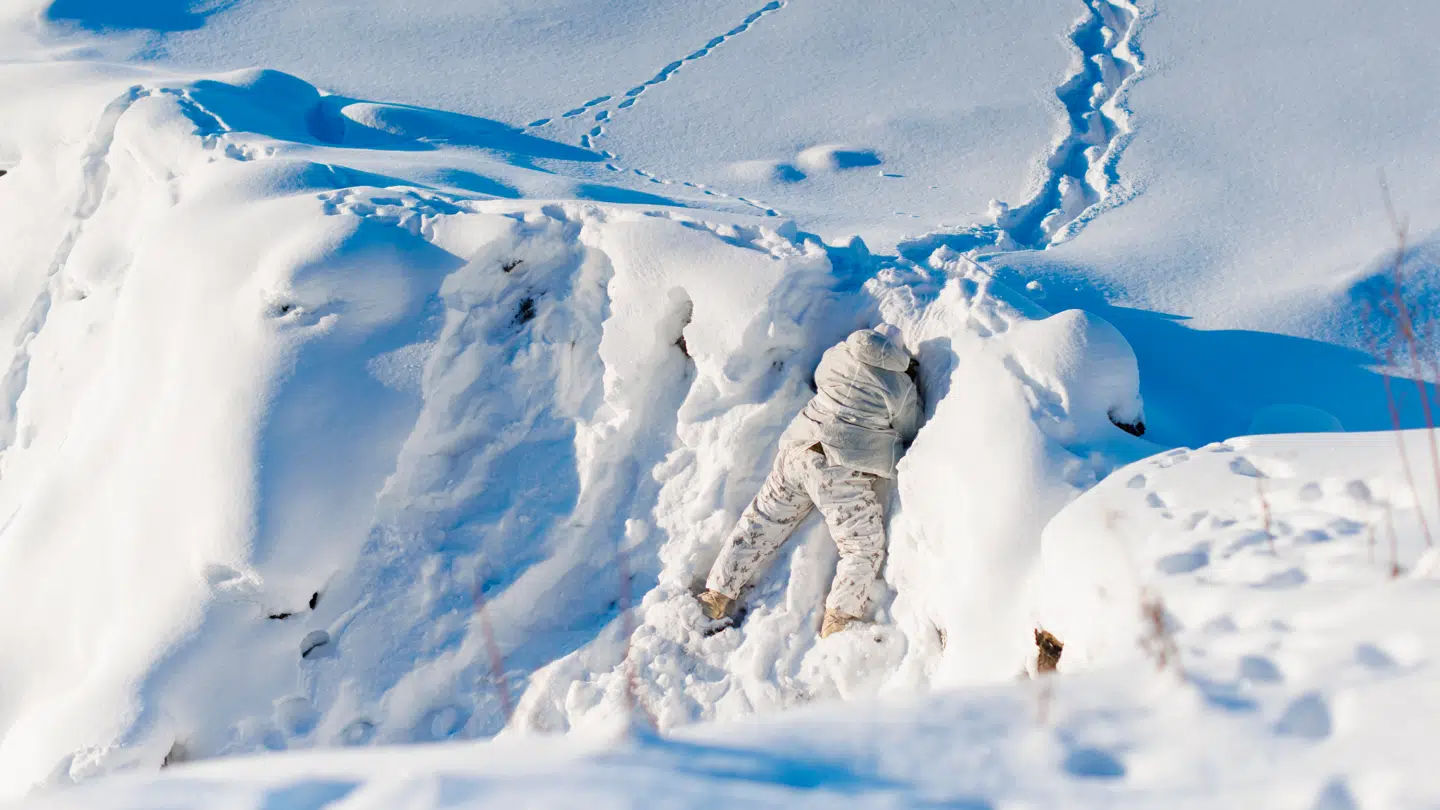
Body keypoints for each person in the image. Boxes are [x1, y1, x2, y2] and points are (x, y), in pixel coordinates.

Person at [696, 324, 921, 638]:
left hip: (799, 449)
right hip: (841, 466)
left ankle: (716, 596)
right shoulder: (900, 386)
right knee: (861, 547)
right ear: (898, 355)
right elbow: (910, 427)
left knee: (760, 522)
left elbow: (819, 378)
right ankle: (838, 621)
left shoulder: (837, 355)